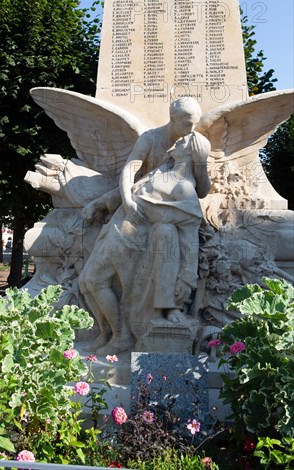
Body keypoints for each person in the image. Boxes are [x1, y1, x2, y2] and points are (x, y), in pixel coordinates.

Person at [79, 97, 211, 355]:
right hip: (125, 222)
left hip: (137, 234)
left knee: (92, 280)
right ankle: (111, 333)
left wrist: (201, 162)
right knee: (88, 281)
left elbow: (198, 200)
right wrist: (122, 200)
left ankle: (120, 336)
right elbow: (133, 171)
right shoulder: (153, 143)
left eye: (194, 124)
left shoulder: (183, 181)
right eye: (187, 123)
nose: (191, 129)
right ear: (172, 118)